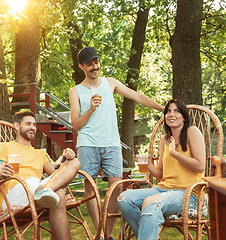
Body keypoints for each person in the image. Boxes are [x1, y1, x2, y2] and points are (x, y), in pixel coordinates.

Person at [69, 46, 164, 240]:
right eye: (90, 64)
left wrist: (164, 108)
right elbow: (76, 124)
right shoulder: (75, 91)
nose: (95, 67)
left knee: (117, 188)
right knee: (90, 189)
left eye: (96, 62)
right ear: (82, 67)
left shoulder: (110, 83)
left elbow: (137, 96)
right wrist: (91, 110)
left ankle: (109, 233)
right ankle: (99, 235)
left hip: (112, 143)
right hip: (87, 143)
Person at [118, 99, 206, 240]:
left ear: (184, 117)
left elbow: (201, 166)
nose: (171, 114)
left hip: (188, 193)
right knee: (124, 199)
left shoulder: (192, 132)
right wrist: (148, 165)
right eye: (168, 111)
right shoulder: (165, 139)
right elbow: (161, 174)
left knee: (151, 202)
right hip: (162, 189)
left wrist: (174, 154)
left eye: (176, 111)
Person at [0, 110, 80, 240]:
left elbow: (57, 172)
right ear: (16, 126)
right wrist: (0, 175)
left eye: (34, 125)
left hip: (37, 189)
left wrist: (65, 158)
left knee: (74, 163)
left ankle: (43, 191)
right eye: (28, 124)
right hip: (13, 192)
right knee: (58, 193)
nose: (32, 127)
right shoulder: (4, 147)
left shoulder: (40, 154)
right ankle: (43, 191)